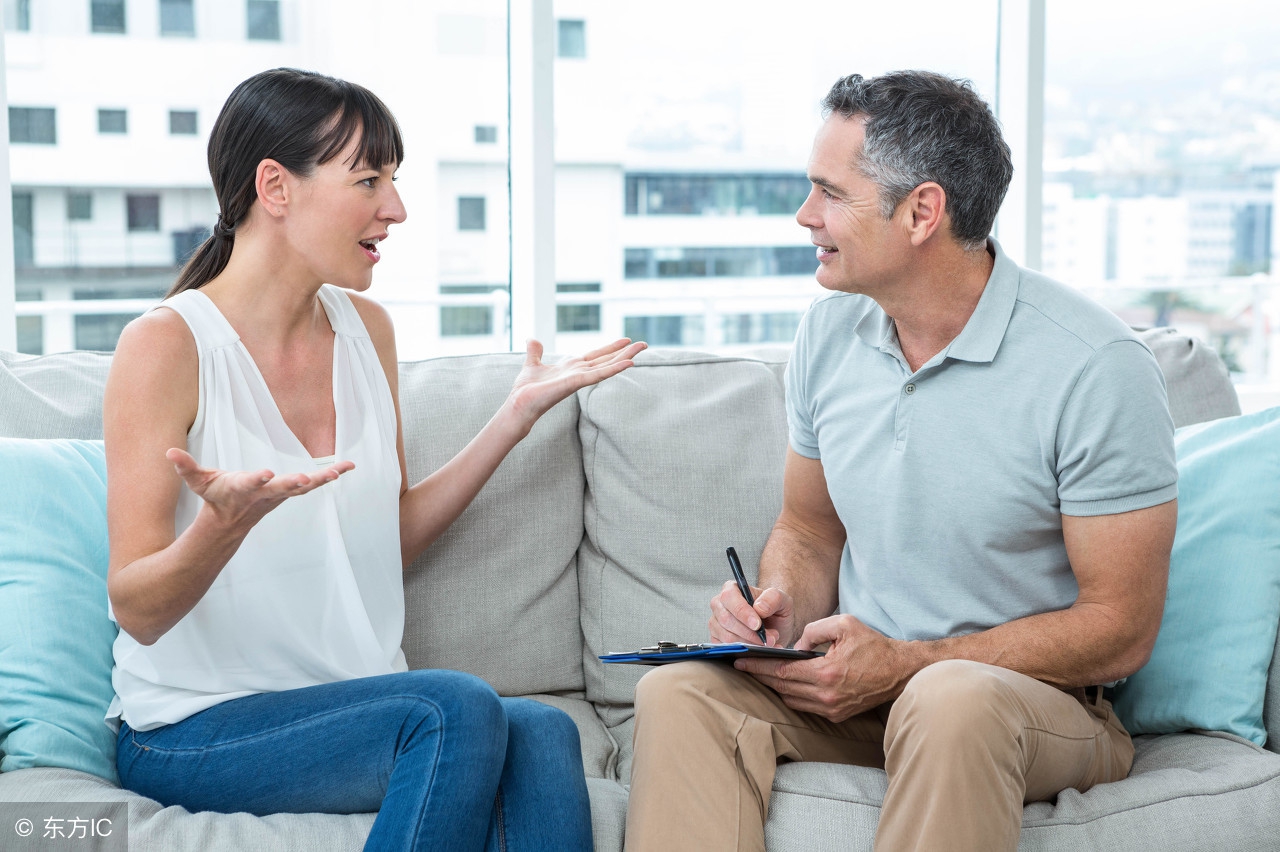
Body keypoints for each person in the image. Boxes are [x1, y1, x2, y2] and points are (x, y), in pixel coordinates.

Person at [624, 71, 1178, 852]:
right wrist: (777, 604)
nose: (805, 216)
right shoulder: (828, 334)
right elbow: (811, 530)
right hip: (862, 692)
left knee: (948, 698)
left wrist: (912, 663)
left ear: (922, 211)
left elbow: (1121, 628)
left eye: (830, 193)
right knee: (682, 692)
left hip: (1032, 705)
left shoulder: (1095, 366)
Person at [103, 67, 645, 852]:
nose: (396, 208)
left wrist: (512, 420)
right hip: (192, 727)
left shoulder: (366, 331)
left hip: (350, 706)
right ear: (275, 187)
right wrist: (221, 527)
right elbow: (137, 608)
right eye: (368, 180)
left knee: (540, 730)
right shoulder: (167, 345)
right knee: (452, 708)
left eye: (393, 179)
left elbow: (381, 542)